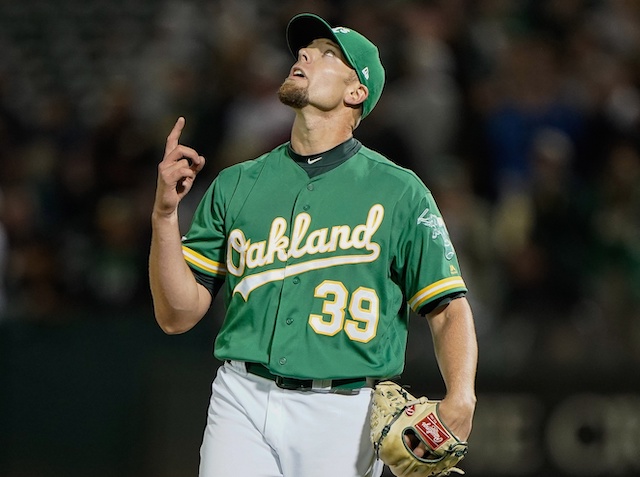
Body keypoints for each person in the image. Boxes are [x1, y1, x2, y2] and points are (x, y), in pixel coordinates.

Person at [149, 12, 477, 477]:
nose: (304, 55)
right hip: (241, 394)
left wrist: (461, 395)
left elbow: (446, 307)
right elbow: (176, 315)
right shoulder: (237, 183)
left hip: (343, 411)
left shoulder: (400, 192)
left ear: (355, 92)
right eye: (305, 50)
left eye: (327, 55)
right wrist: (165, 217)